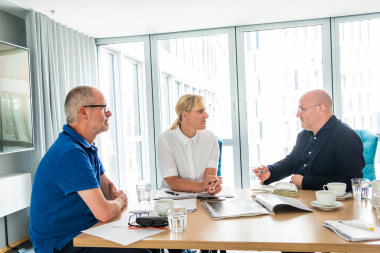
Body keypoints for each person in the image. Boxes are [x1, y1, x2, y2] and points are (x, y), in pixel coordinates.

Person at [29, 86, 151, 253]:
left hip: (85, 230)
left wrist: (113, 201)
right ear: (83, 112)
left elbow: (108, 190)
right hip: (60, 243)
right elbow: (105, 213)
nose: (109, 113)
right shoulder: (70, 153)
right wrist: (118, 202)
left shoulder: (85, 147)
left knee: (149, 241)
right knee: (140, 252)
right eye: (104, 107)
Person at [253, 89, 365, 191]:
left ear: (321, 109)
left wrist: (305, 182)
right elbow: (292, 162)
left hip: (329, 206)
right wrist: (270, 172)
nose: (297, 114)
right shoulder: (304, 135)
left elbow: (352, 181)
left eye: (302, 109)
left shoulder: (346, 136)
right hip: (300, 199)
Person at [157, 94, 222, 195]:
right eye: (200, 111)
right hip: (173, 200)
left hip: (202, 198)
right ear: (185, 115)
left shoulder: (211, 139)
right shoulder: (165, 140)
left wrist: (212, 186)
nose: (206, 115)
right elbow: (173, 182)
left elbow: (209, 178)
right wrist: (201, 186)